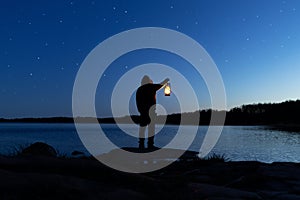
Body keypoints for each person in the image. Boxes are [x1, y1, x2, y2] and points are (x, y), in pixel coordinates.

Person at [136, 75, 169, 149]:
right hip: (150, 112)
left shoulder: (139, 89)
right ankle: (150, 145)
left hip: (142, 112)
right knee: (151, 129)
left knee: (142, 129)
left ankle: (141, 145)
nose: (152, 81)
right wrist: (166, 81)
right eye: (150, 80)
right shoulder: (150, 87)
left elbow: (137, 102)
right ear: (148, 81)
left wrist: (140, 110)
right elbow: (160, 85)